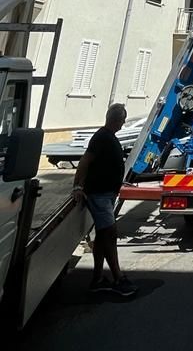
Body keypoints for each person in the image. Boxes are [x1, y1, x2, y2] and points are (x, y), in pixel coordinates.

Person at [72, 103, 137, 297]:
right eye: (122, 120)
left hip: (105, 194)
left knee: (102, 236)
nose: (123, 123)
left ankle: (98, 278)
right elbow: (85, 162)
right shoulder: (101, 137)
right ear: (116, 119)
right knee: (110, 233)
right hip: (99, 194)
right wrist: (77, 186)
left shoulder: (107, 137)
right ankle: (118, 278)